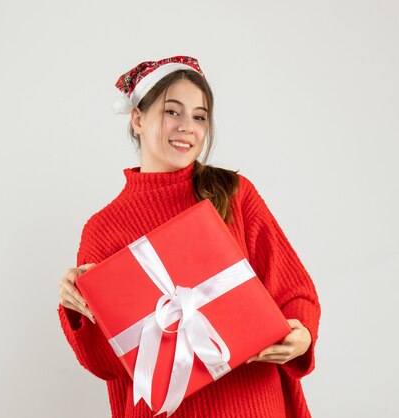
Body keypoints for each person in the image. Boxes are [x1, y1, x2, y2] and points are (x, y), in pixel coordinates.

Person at [57, 56, 321, 418]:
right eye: (172, 112)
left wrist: (300, 335)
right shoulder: (104, 228)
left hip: (253, 405)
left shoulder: (233, 194)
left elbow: (293, 289)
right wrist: (77, 309)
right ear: (137, 119)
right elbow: (109, 365)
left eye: (199, 117)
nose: (188, 127)